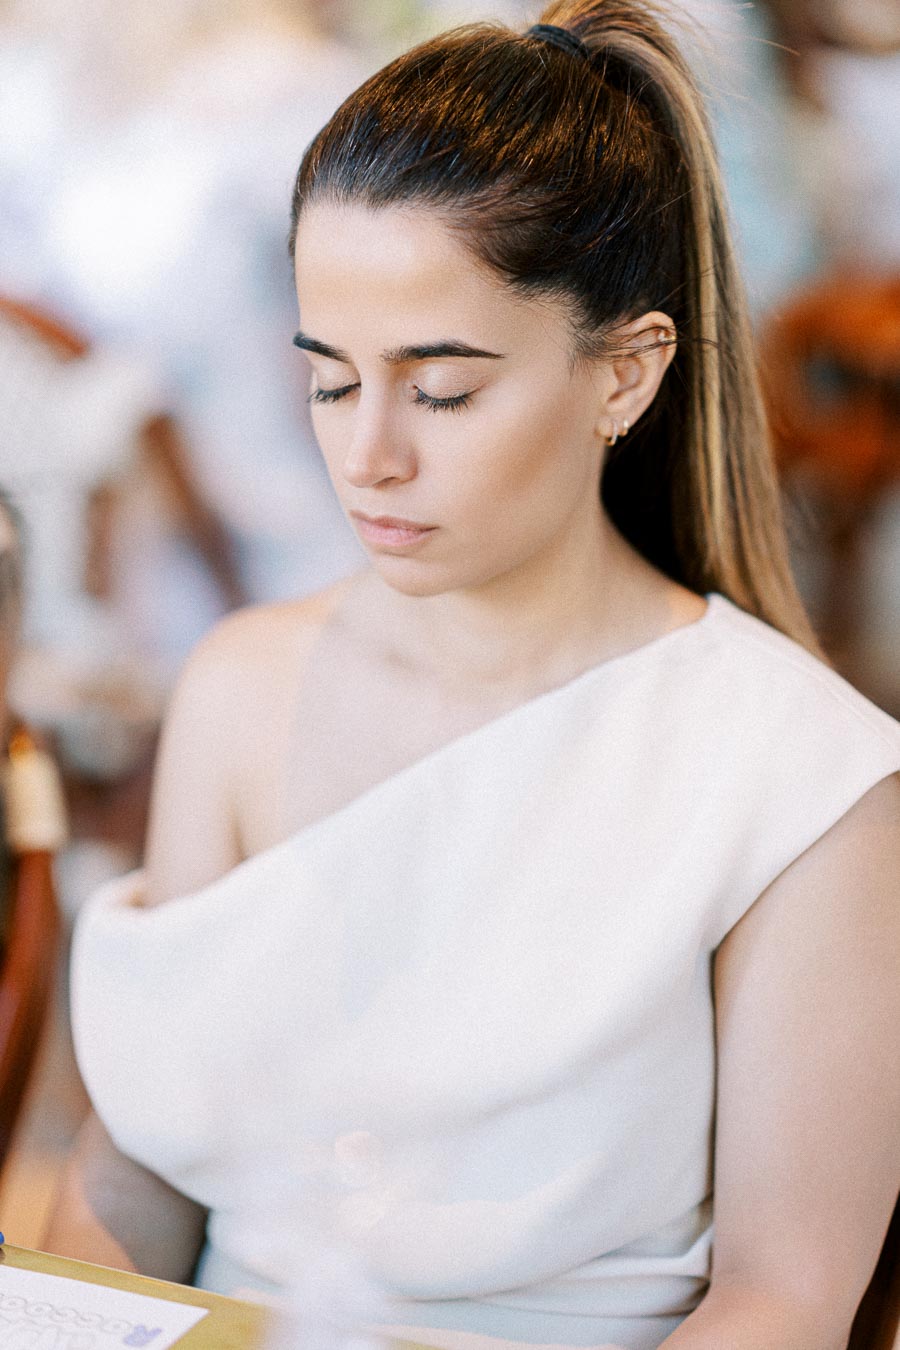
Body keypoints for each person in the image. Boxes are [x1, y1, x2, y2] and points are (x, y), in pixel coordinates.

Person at [46, 2, 900, 1347]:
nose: (367, 456)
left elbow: (783, 1297)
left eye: (440, 391)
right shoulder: (242, 687)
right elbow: (142, 1164)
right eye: (331, 380)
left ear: (626, 371)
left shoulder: (802, 780)